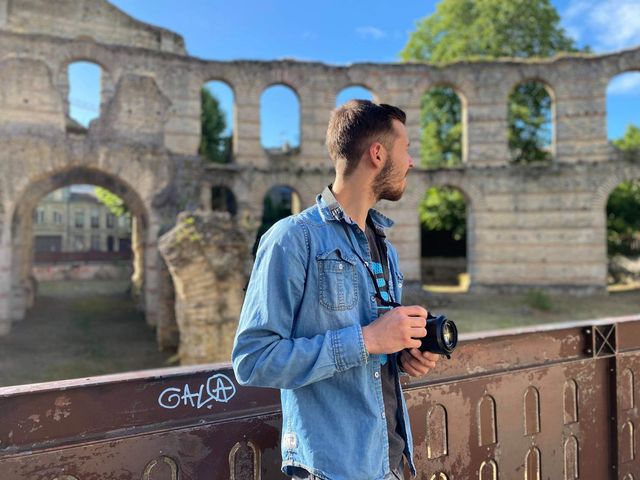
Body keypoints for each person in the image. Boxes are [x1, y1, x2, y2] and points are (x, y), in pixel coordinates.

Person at [232, 100, 441, 480]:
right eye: (406, 149)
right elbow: (253, 360)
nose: (411, 162)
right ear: (377, 154)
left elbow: (373, 355)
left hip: (391, 462)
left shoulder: (384, 246)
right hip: (332, 469)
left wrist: (402, 355)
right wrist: (367, 340)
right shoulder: (293, 238)